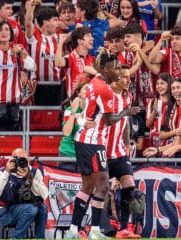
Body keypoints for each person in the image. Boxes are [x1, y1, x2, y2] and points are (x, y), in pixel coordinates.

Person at [66, 49, 139, 239]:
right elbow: (109, 120)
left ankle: (74, 230)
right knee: (103, 186)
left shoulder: (97, 81)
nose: (118, 72)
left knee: (89, 186)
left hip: (89, 139)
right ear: (107, 69)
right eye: (115, 68)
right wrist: (126, 112)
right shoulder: (104, 90)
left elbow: (94, 70)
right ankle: (96, 231)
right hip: (94, 141)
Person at [0, 21, 36, 131]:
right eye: (1, 30)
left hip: (14, 98)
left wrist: (23, 53)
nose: (3, 32)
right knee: (0, 127)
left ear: (11, 33)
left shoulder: (18, 48)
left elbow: (32, 67)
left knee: (12, 129)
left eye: (7, 29)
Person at [107, 64, 141, 238]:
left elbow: (125, 122)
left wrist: (127, 143)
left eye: (129, 76)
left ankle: (123, 229)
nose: (129, 80)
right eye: (125, 77)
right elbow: (107, 120)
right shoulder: (106, 94)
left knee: (129, 185)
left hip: (119, 150)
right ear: (116, 78)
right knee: (96, 192)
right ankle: (84, 227)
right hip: (103, 150)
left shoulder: (127, 96)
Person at [0, 148, 49, 239]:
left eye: (23, 160)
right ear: (12, 160)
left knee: (43, 208)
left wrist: (29, 178)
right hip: (7, 212)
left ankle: (40, 238)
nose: (21, 163)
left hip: (28, 210)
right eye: (17, 159)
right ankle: (17, 238)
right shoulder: (3, 172)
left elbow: (45, 195)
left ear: (28, 160)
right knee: (31, 208)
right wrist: (6, 172)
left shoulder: (34, 172)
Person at [25, 3, 62, 105]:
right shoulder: (35, 34)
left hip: (56, 86)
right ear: (45, 22)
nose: (57, 23)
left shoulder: (58, 36)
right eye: (55, 20)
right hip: (38, 86)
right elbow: (28, 23)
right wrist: (31, 7)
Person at [58, 77, 90, 171]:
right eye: (86, 88)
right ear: (78, 93)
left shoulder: (94, 111)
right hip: (68, 153)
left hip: (85, 154)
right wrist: (73, 112)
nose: (88, 91)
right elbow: (66, 132)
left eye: (90, 89)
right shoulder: (69, 110)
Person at [55, 27, 96, 98]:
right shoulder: (71, 57)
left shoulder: (93, 59)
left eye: (91, 36)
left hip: (89, 101)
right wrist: (61, 42)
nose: (92, 38)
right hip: (74, 101)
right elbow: (58, 63)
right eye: (88, 36)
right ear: (80, 41)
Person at [145, 72, 171, 148]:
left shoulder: (174, 101)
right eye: (157, 84)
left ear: (169, 84)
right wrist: (154, 111)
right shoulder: (152, 101)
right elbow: (148, 124)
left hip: (169, 139)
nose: (159, 86)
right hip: (154, 140)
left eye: (162, 83)